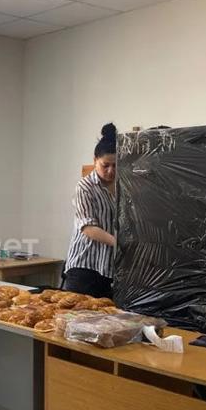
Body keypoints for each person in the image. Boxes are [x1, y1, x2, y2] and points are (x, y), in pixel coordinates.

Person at [62, 122, 117, 298]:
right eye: (105, 165)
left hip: (108, 268)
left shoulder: (123, 187)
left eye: (115, 165)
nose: (110, 171)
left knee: (106, 314)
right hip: (84, 266)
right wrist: (119, 243)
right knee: (77, 313)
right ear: (95, 161)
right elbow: (88, 227)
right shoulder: (85, 187)